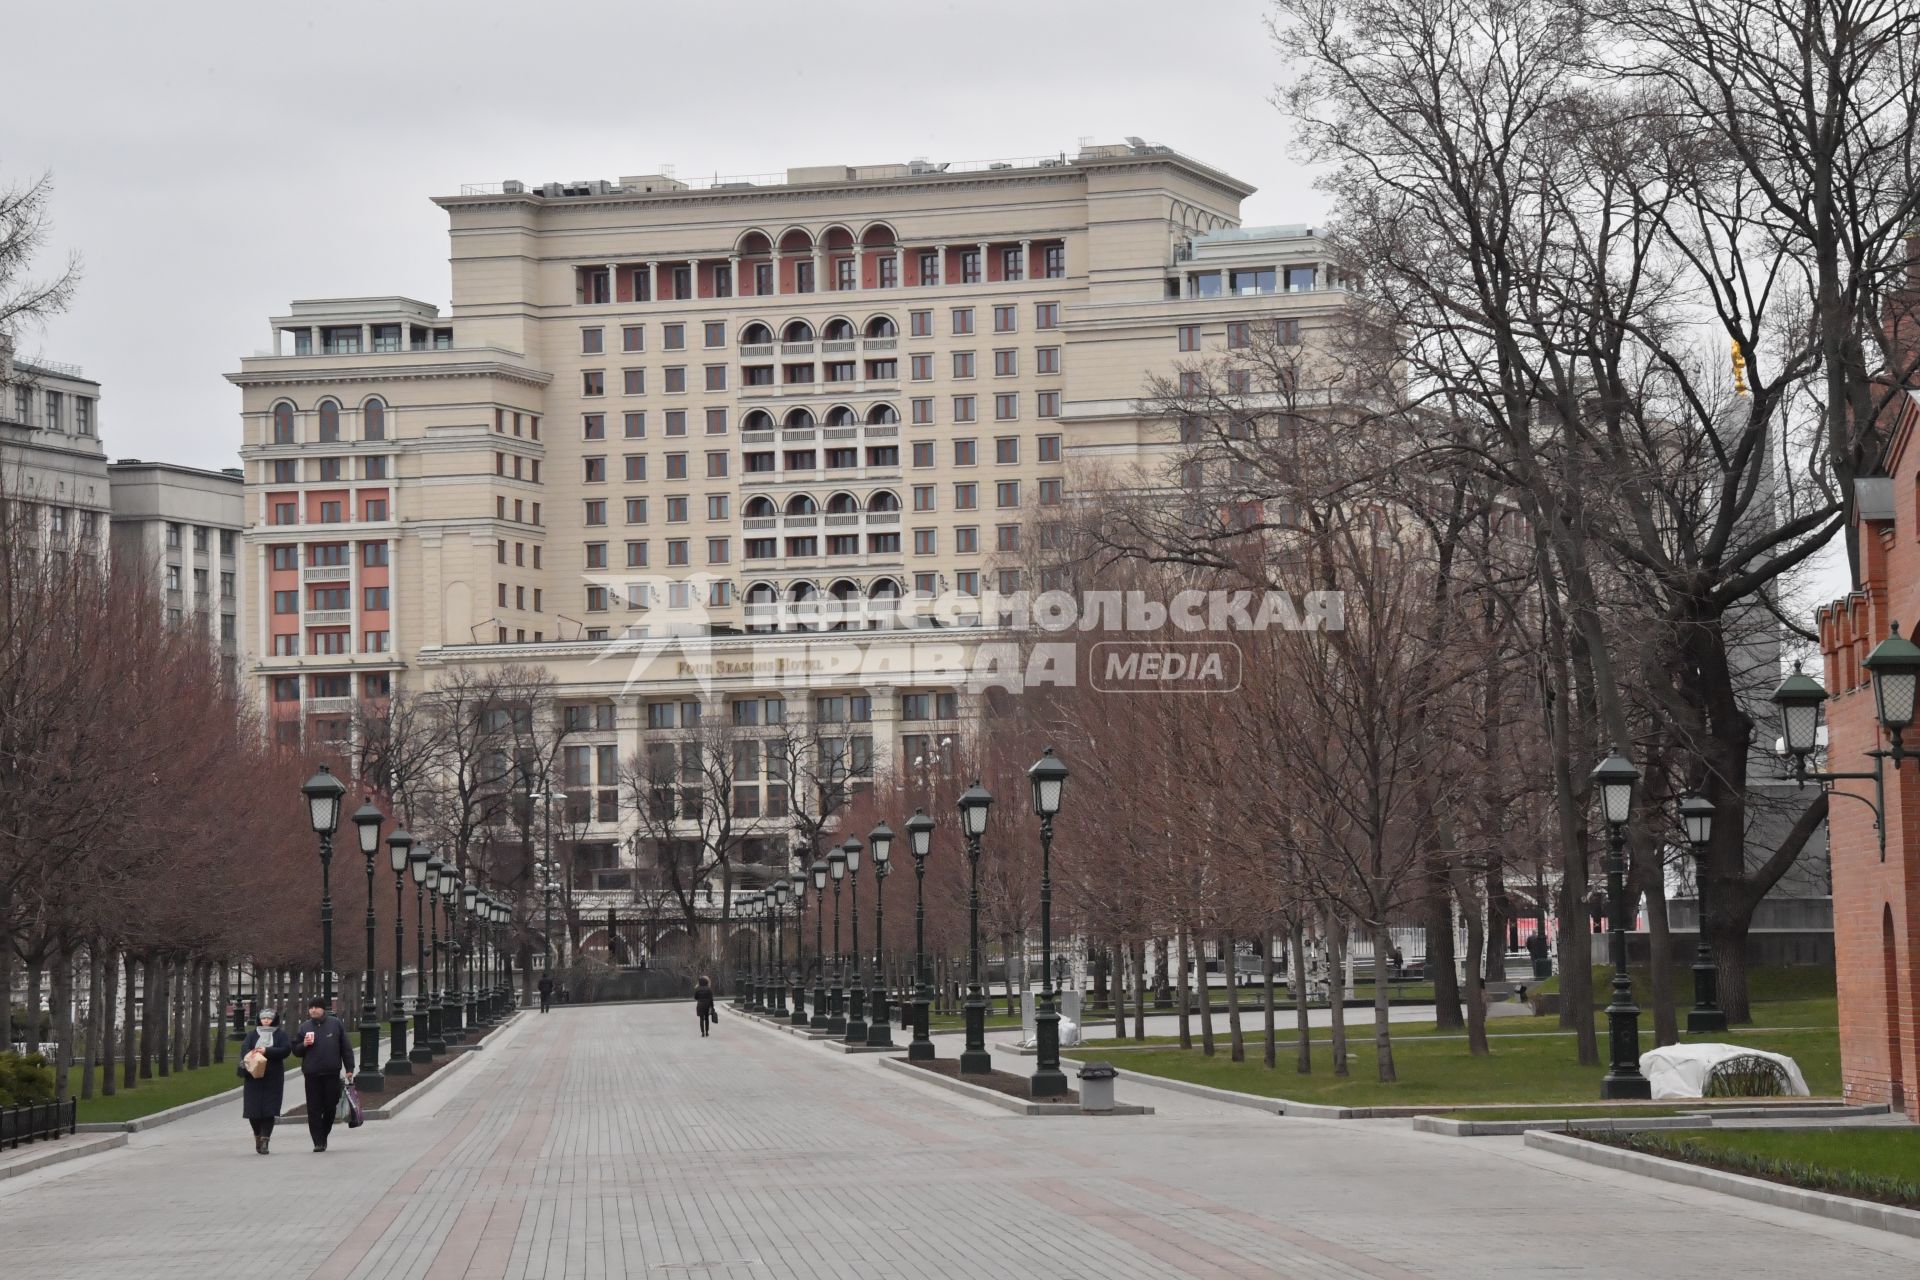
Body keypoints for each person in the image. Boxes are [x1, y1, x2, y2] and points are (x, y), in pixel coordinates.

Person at [292, 997, 354, 1153]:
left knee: (330, 1106)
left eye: (316, 1007)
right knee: (313, 1109)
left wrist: (349, 1068)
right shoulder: (304, 1027)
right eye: (311, 1007)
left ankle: (323, 1133)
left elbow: (345, 1048)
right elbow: (296, 1051)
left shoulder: (335, 1024)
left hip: (331, 1073)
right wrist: (304, 1045)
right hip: (311, 1074)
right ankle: (318, 1141)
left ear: (323, 1009)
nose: (313, 1010)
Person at [238, 1009, 292, 1155]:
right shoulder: (252, 1034)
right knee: (253, 1111)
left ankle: (265, 1140)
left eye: (269, 1018)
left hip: (272, 1077)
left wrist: (267, 1051)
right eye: (264, 1018)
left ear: (274, 1020)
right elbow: (244, 1050)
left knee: (269, 1109)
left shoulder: (280, 1034)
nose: (266, 1021)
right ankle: (257, 1135)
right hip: (253, 1077)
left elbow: (286, 1050)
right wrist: (254, 1053)